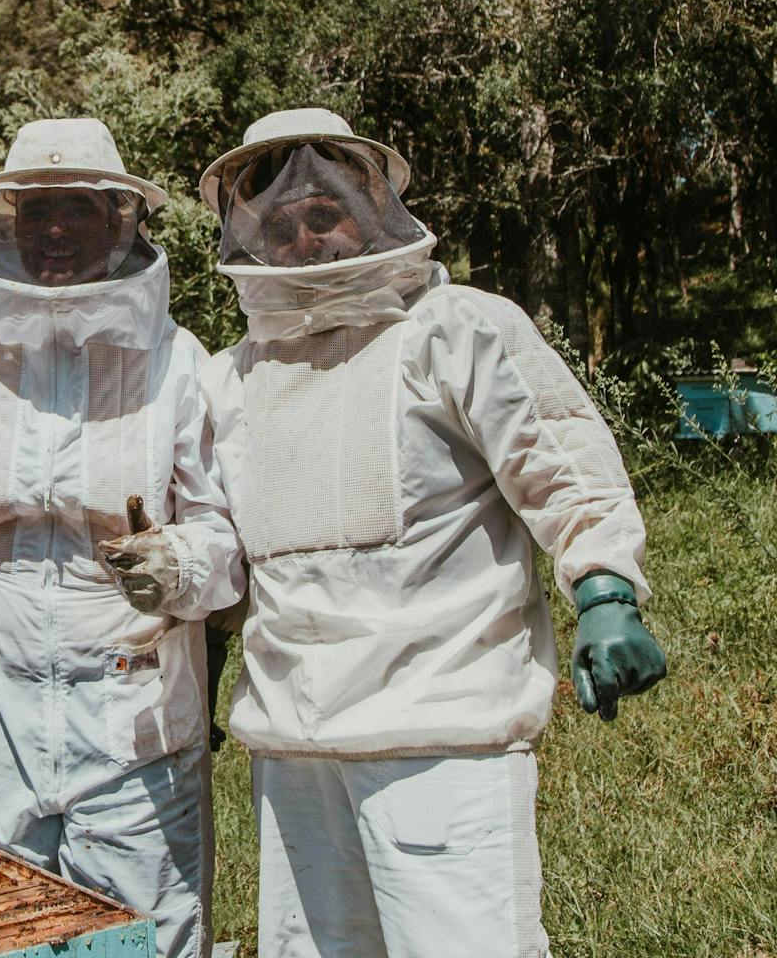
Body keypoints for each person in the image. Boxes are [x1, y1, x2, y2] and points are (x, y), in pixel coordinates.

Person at [195, 108, 668, 958]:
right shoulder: (229, 378)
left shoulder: (459, 329)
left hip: (442, 736)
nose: (308, 241)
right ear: (249, 240)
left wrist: (604, 587)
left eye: (325, 214)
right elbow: (223, 548)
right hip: (291, 747)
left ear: (374, 209)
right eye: (284, 225)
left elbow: (561, 461)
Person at [0, 118, 244, 958]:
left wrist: (177, 565)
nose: (55, 230)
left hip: (136, 719)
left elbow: (223, 535)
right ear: (5, 226)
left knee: (144, 939)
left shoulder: (177, 362)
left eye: (76, 209)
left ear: (118, 221)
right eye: (35, 212)